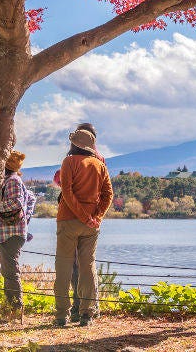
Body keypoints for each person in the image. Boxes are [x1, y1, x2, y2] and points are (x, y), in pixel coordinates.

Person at [53, 128, 112, 327]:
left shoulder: (68, 162)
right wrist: (96, 217)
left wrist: (84, 216)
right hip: (91, 226)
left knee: (63, 266)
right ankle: (87, 314)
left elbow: (67, 193)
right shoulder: (99, 165)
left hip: (68, 221)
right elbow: (108, 195)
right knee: (87, 267)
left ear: (74, 144)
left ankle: (62, 314)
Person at [0, 150, 37, 311]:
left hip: (11, 233)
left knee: (10, 271)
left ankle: (15, 308)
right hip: (10, 232)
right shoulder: (12, 180)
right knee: (8, 270)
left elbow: (16, 203)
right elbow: (30, 198)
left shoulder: (12, 181)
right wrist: (26, 218)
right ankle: (11, 307)